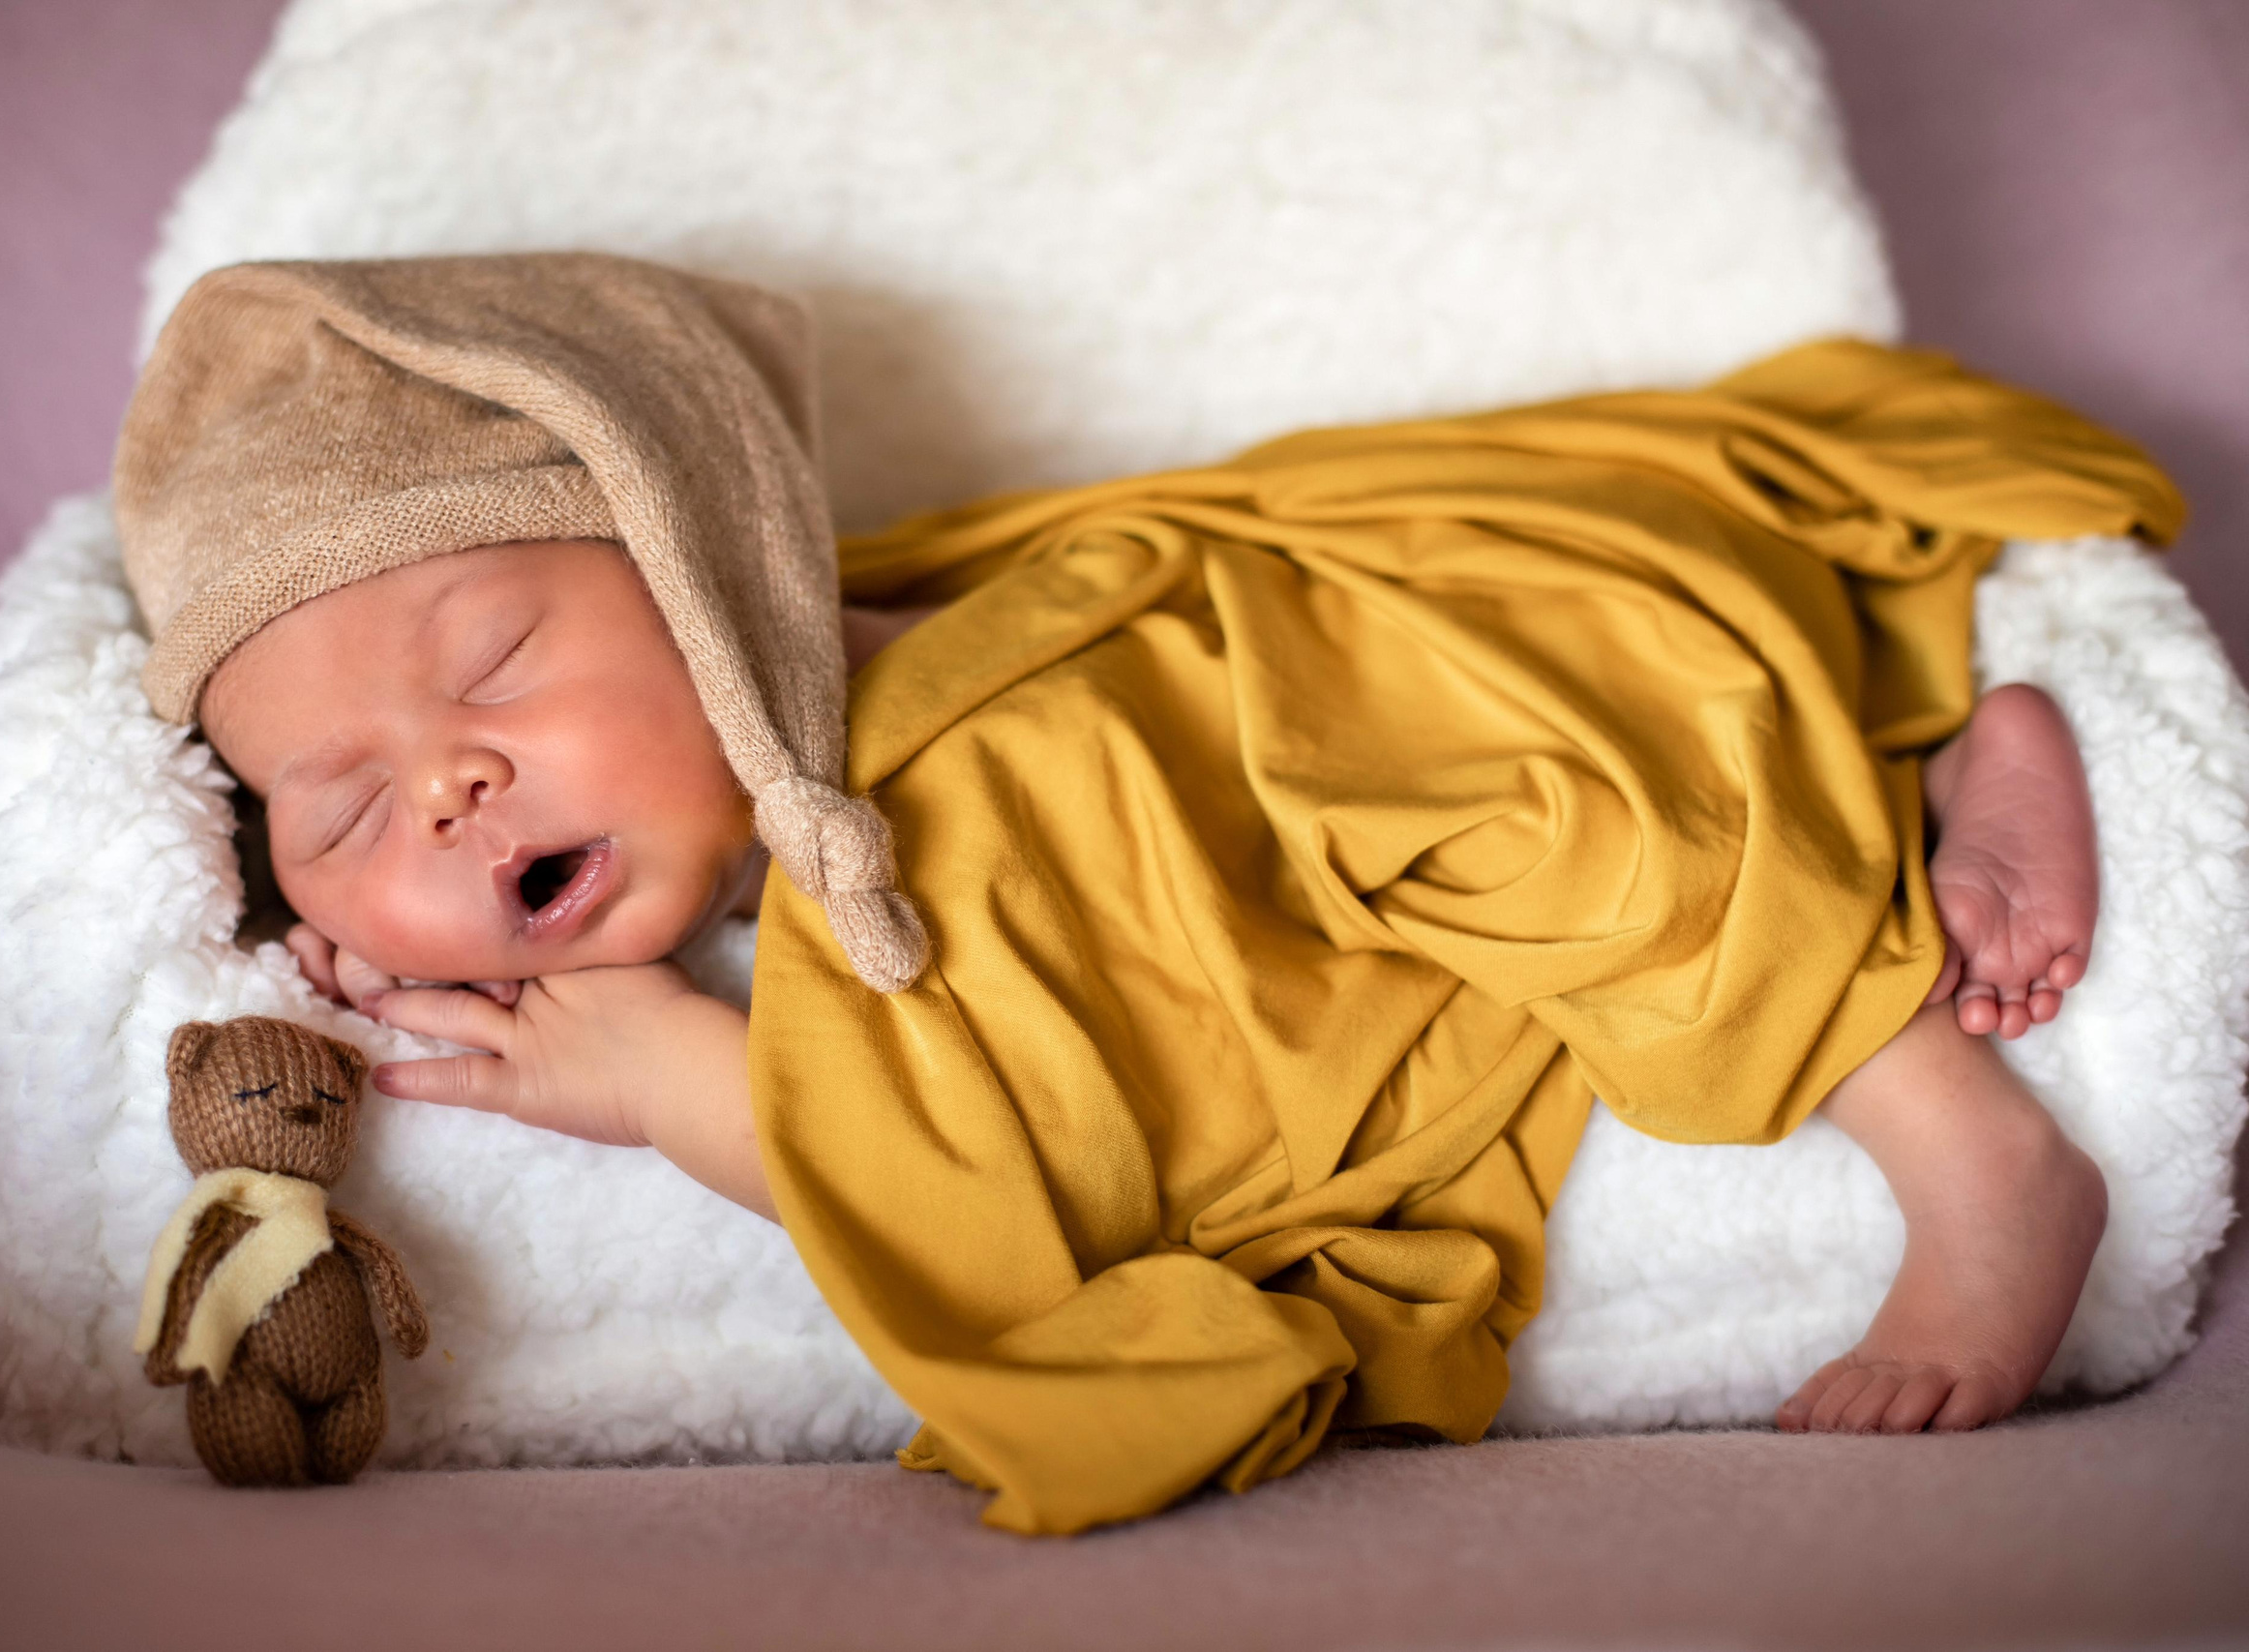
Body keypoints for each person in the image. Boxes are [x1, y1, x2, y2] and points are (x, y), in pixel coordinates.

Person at [116, 252, 2175, 1534]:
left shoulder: (955, 700)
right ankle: (1904, 773)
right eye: (337, 810)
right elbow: (1068, 1125)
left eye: (494, 663)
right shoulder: (636, 893)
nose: (445, 784)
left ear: (710, 581)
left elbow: (1057, 1143)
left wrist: (699, 1093)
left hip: (1417, 686)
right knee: (1553, 812)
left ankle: (1967, 1139)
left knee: (1528, 801)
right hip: (1410, 784)